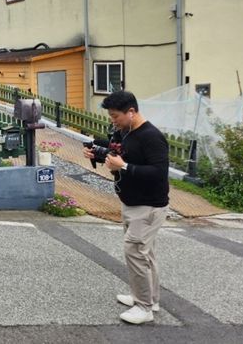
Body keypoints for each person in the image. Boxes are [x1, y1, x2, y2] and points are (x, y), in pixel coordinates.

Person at [83, 90, 169, 325]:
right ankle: (149, 298)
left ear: (131, 112)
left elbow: (159, 172)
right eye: (111, 116)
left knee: (136, 253)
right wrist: (96, 153)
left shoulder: (151, 136)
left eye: (115, 116)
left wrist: (124, 166)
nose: (113, 121)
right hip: (131, 203)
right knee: (144, 254)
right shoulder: (126, 132)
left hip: (148, 206)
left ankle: (144, 307)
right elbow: (117, 152)